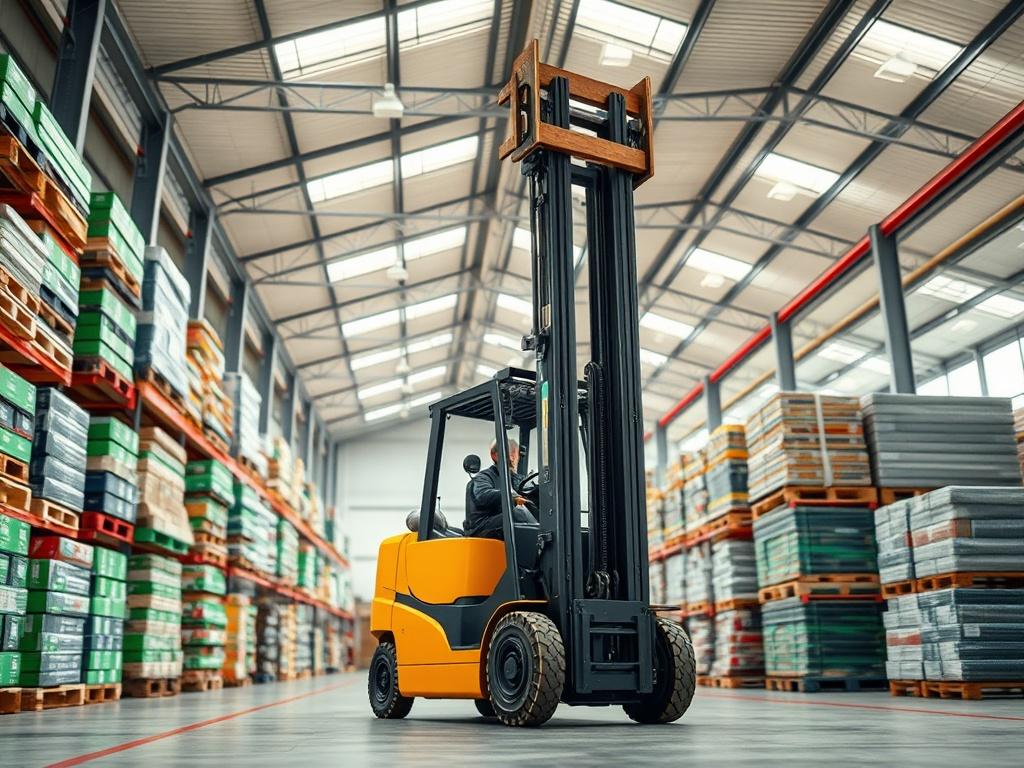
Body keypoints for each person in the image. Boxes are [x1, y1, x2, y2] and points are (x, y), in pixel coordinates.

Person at [464, 438, 536, 539]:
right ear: (495, 455)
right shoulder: (483, 477)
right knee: (518, 514)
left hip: (498, 523)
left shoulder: (515, 479)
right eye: (510, 453)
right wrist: (513, 497)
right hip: (481, 527)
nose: (513, 457)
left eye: (515, 453)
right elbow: (482, 494)